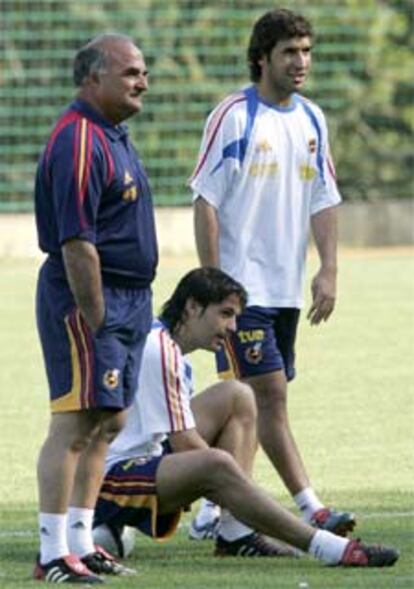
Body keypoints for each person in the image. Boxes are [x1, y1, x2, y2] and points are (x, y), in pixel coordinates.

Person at [92, 267, 398, 569]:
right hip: (106, 480)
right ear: (192, 307)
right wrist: (240, 491)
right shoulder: (158, 350)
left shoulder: (169, 349)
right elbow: (186, 444)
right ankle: (329, 547)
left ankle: (235, 532)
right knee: (217, 465)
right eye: (225, 314)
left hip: (141, 461)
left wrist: (236, 493)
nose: (232, 327)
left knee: (238, 395)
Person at [189, 8, 353, 539]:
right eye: (289, 51)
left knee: (251, 405)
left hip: (283, 289)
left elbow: (323, 199)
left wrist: (328, 268)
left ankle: (212, 510)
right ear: (263, 58)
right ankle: (310, 508)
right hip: (241, 290)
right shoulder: (235, 115)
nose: (301, 62)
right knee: (269, 395)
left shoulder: (311, 119)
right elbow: (205, 201)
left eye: (306, 51)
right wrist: (214, 282)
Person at [33, 33, 158, 584]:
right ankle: (52, 552)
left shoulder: (113, 135)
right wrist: (97, 315)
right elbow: (78, 241)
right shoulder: (78, 138)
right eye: (130, 71)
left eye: (143, 72)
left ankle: (83, 542)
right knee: (77, 422)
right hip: (90, 299)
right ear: (93, 78)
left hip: (132, 299)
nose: (142, 81)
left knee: (111, 420)